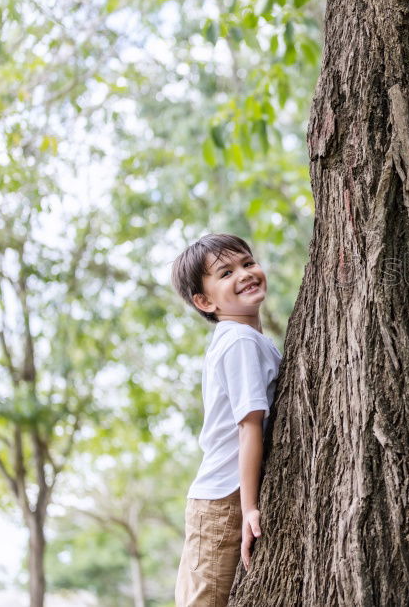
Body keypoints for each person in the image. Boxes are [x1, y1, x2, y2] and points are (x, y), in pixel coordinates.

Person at [169, 233, 281, 607]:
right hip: (224, 498)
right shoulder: (239, 342)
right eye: (226, 272)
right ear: (205, 301)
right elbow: (248, 427)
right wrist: (249, 508)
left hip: (220, 495)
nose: (245, 274)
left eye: (248, 263)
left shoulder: (245, 338)